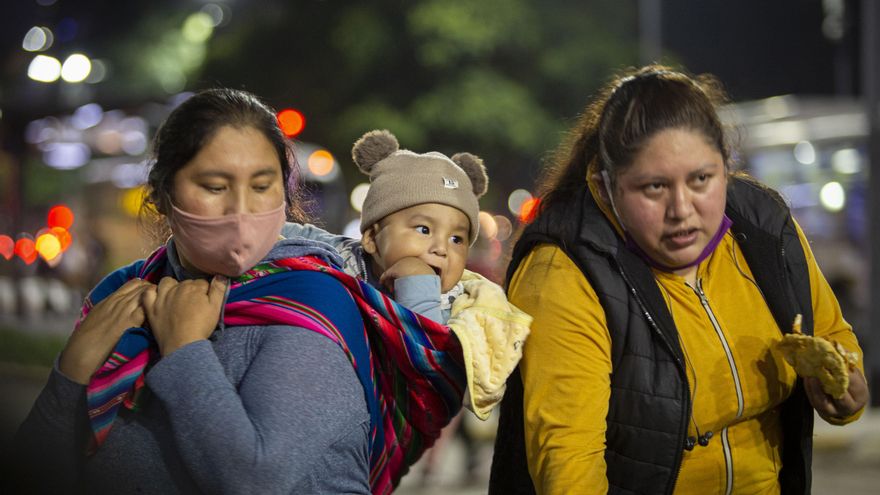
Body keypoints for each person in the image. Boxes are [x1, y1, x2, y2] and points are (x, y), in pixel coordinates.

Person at [11, 89, 466, 494]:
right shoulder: (124, 296)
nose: (241, 210)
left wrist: (186, 350)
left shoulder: (313, 304)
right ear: (164, 195)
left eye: (262, 186)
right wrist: (68, 375)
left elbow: (256, 479)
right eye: (214, 186)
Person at [489, 65, 869, 495]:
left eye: (701, 179)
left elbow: (831, 333)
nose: (682, 209)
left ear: (726, 167)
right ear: (605, 184)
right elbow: (570, 468)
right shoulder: (563, 270)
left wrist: (845, 384)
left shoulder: (764, 224)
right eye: (654, 187)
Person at [284, 129, 532, 421]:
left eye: (457, 239)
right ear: (373, 238)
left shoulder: (464, 305)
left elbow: (434, 376)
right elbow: (270, 238)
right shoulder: (338, 255)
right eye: (424, 230)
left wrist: (418, 287)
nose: (441, 248)